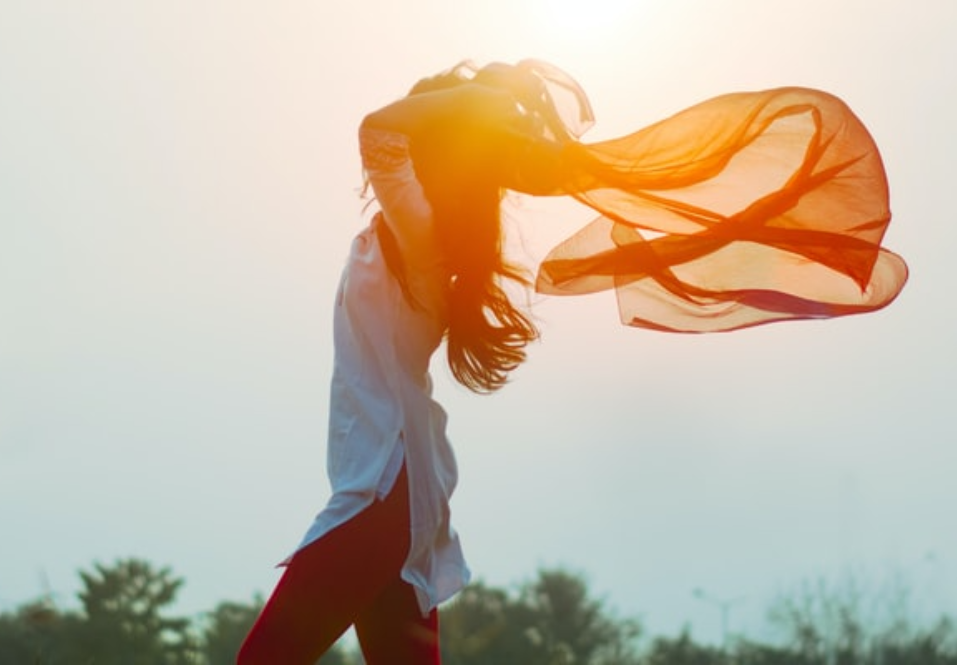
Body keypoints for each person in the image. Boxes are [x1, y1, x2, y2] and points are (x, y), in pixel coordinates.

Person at [237, 59, 907, 664]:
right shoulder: (425, 230)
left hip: (383, 489)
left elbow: (378, 131)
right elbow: (393, 134)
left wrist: (472, 100)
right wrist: (474, 103)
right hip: (398, 492)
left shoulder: (423, 230)